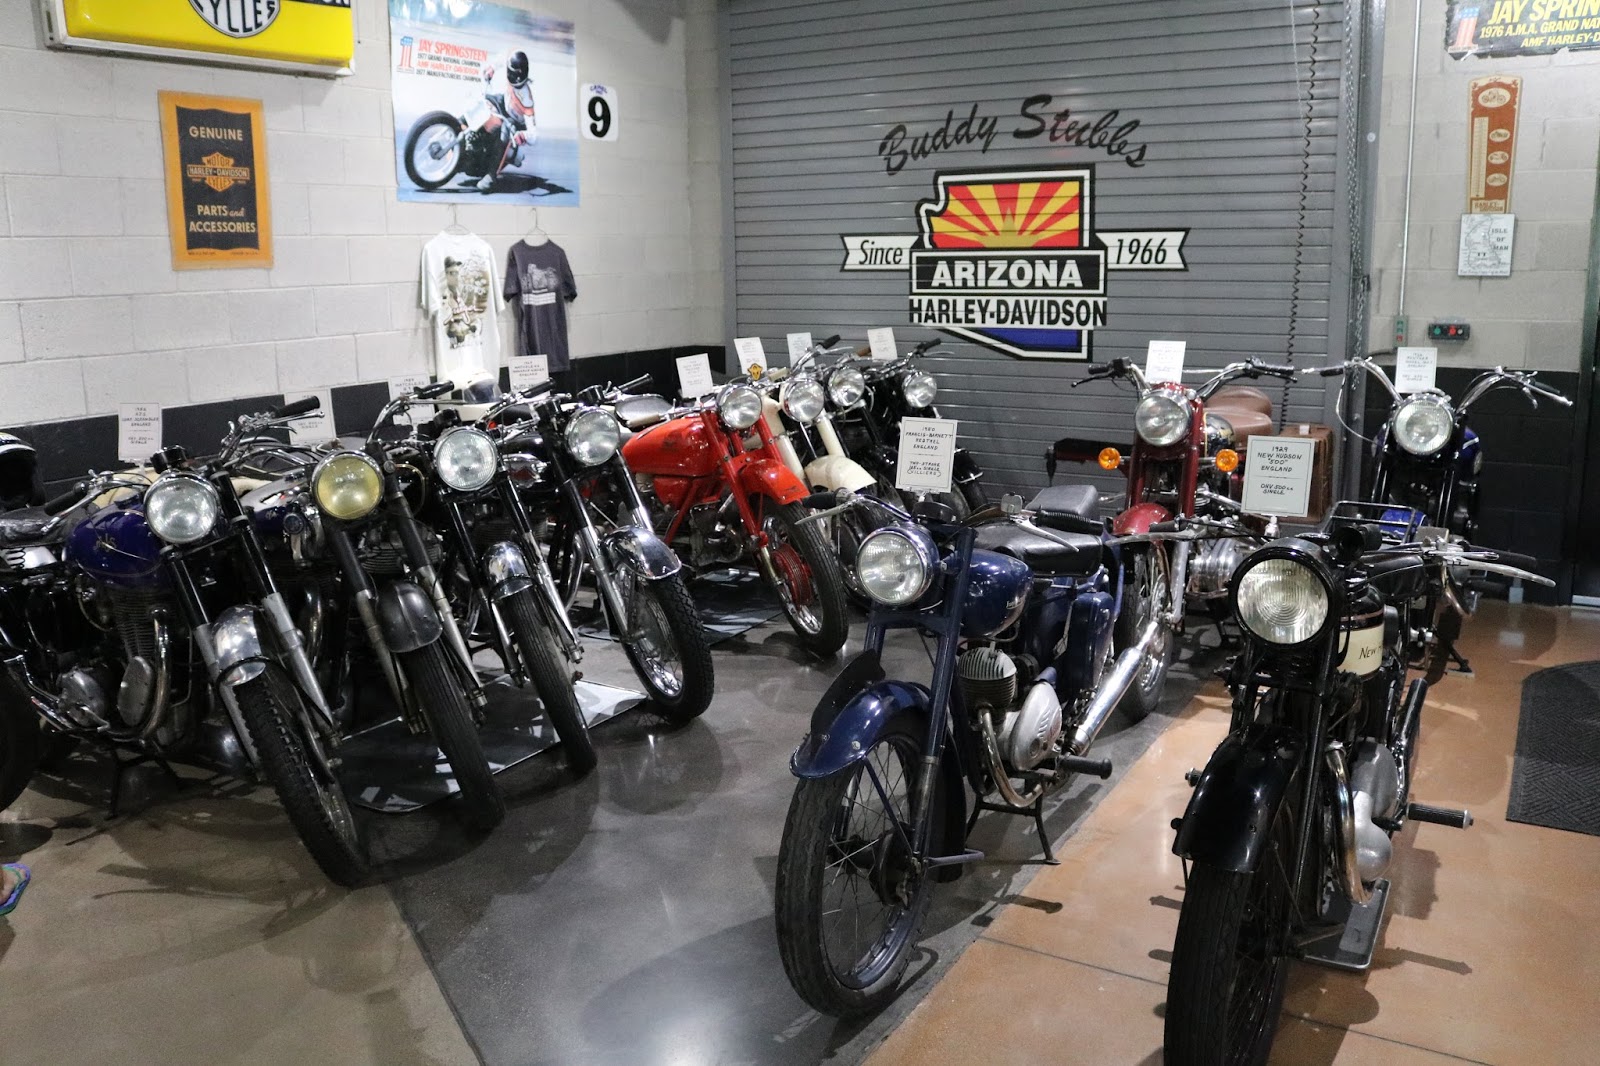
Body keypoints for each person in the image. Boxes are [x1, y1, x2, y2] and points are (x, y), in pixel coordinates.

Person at [476, 50, 538, 192]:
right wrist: (491, 67)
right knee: (481, 100)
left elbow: (534, 135)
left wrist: (523, 135)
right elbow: (501, 58)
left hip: (515, 122)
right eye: (511, 73)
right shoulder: (511, 59)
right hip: (502, 103)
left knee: (504, 131)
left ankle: (491, 176)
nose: (513, 77)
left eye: (516, 75)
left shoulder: (527, 99)